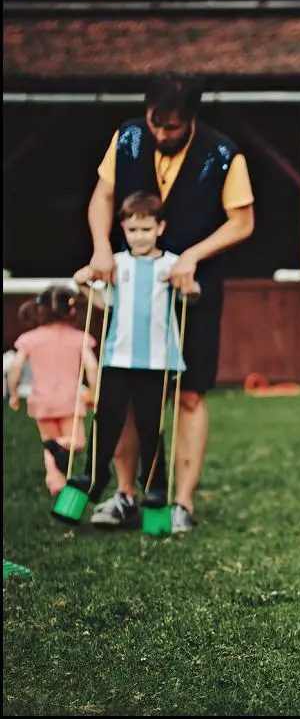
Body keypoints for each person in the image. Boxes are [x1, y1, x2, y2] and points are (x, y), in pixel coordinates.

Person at [84, 74, 255, 532]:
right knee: (124, 388)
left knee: (190, 394)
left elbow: (242, 222)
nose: (161, 132)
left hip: (194, 289)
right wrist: (101, 248)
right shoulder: (128, 137)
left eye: (172, 126)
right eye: (155, 122)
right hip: (132, 284)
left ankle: (181, 502)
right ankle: (125, 494)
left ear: (191, 119)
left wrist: (192, 257)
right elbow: (102, 197)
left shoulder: (224, 154)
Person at [66, 191, 200, 514]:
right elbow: (104, 304)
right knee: (106, 420)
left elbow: (191, 297)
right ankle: (93, 477)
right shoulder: (116, 263)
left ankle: (154, 487)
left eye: (146, 229)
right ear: (123, 229)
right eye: (133, 230)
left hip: (155, 362)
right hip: (118, 358)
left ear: (160, 228)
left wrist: (191, 288)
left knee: (150, 426)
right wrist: (82, 284)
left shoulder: (171, 265)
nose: (139, 236)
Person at [7, 286, 98, 496]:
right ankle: (59, 449)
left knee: (49, 445)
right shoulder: (78, 338)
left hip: (41, 401)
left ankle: (56, 483)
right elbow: (91, 366)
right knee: (76, 443)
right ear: (71, 310)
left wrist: (13, 393)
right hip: (69, 400)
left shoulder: (30, 339)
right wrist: (94, 392)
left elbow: (16, 366)